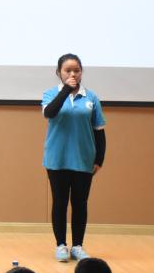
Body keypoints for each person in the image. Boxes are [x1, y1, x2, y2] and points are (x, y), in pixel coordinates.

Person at [41, 53, 106, 262]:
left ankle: (77, 245)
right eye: (67, 70)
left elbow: (99, 131)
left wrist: (99, 159)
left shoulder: (91, 97)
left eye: (76, 70)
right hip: (57, 159)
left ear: (81, 72)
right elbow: (50, 113)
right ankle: (61, 245)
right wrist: (66, 90)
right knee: (59, 202)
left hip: (83, 159)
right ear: (58, 72)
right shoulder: (50, 94)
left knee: (80, 203)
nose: (72, 74)